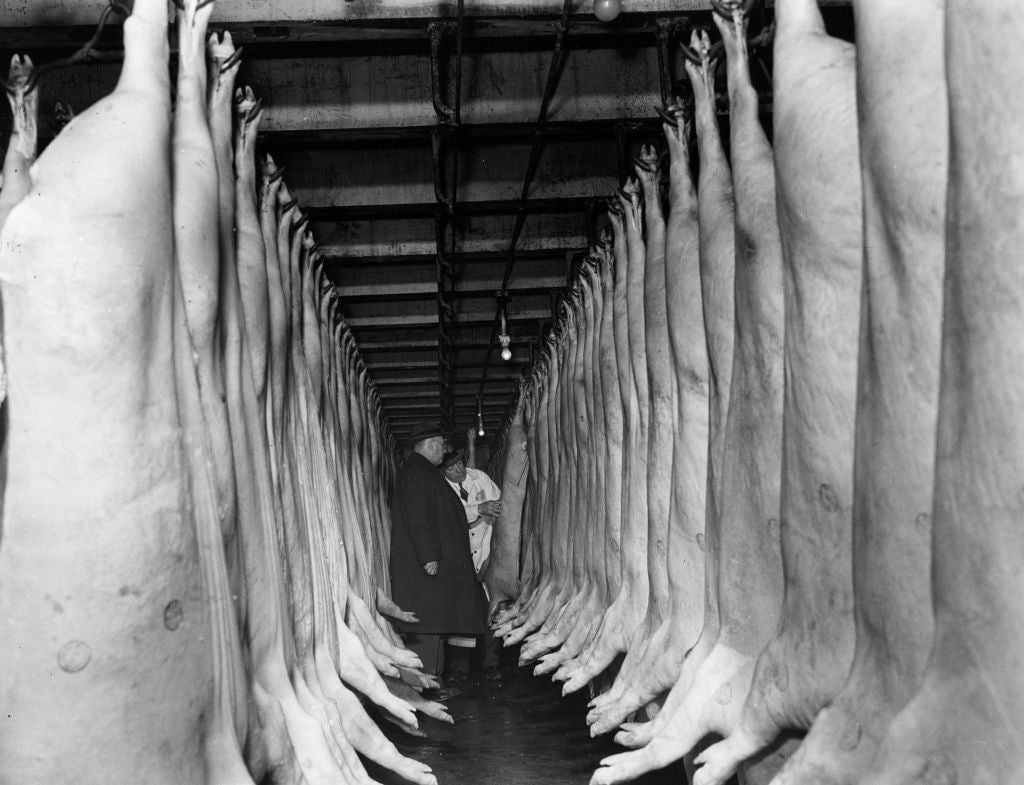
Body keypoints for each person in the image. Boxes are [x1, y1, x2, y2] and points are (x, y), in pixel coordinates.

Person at [389, 422, 489, 695]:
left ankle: (433, 682)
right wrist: (429, 556)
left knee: (435, 627)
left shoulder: (422, 471)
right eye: (441, 446)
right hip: (425, 570)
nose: (443, 452)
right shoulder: (419, 472)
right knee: (427, 628)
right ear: (431, 445)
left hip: (429, 570)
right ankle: (427, 687)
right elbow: (419, 516)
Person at [440, 447, 505, 681]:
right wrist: (478, 508)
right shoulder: (440, 488)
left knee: (492, 610)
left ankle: (491, 666)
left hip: (487, 552)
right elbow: (448, 517)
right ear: (442, 470)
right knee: (462, 615)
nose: (459, 470)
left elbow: (501, 505)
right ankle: (458, 670)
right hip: (460, 557)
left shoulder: (481, 478)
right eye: (451, 467)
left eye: (460, 463)